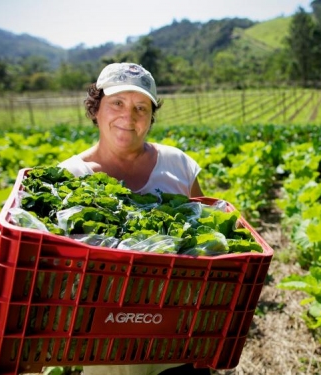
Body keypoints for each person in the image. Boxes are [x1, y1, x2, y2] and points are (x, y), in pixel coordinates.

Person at [58, 62, 210, 375]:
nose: (129, 117)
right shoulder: (68, 178)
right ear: (96, 107)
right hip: (107, 353)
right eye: (117, 103)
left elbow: (205, 239)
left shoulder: (178, 165)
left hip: (177, 342)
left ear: (151, 117)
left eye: (141, 107)